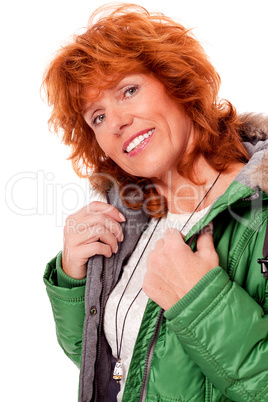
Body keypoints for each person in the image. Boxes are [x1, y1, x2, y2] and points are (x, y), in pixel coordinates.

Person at [43, 3, 268, 401]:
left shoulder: (260, 212)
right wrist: (74, 280)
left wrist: (201, 304)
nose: (115, 122)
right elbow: (114, 367)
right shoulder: (129, 218)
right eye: (97, 117)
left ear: (177, 82)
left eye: (128, 91)